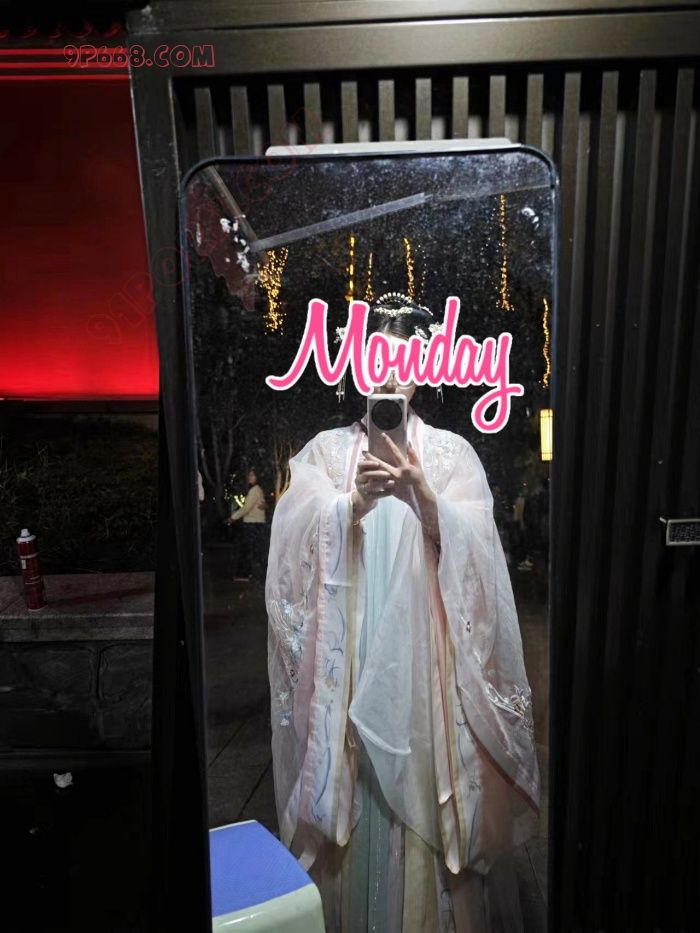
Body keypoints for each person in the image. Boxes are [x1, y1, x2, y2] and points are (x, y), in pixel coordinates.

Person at [265, 294, 540, 932]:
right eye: (376, 358)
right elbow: (291, 535)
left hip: (424, 668)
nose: (390, 373)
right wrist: (346, 509)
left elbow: (483, 554)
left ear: (424, 369)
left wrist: (430, 504)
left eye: (403, 359)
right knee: (355, 777)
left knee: (424, 774)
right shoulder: (325, 454)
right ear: (353, 367)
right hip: (353, 654)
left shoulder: (450, 455)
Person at [226, 468, 267, 583]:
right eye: (249, 475)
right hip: (255, 524)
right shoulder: (257, 490)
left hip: (252, 524)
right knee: (254, 550)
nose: (250, 477)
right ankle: (253, 574)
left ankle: (244, 574)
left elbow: (246, 508)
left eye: (252, 475)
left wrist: (233, 518)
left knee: (247, 550)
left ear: (257, 478)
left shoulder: (254, 490)